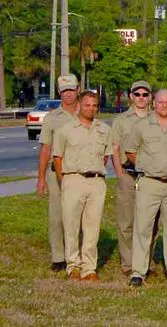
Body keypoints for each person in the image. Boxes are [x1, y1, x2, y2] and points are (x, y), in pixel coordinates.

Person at [125, 88, 167, 285]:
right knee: (143, 228)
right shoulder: (142, 126)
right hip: (149, 183)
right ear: (154, 103)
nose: (164, 105)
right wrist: (146, 165)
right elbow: (130, 150)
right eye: (160, 102)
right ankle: (138, 271)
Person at [51, 90, 111, 281]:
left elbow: (106, 156)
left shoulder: (104, 129)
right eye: (87, 105)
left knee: (92, 227)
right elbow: (57, 157)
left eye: (94, 106)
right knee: (71, 225)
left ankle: (89, 268)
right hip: (73, 179)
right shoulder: (66, 129)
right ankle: (73, 266)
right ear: (79, 105)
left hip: (96, 181)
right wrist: (65, 181)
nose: (91, 109)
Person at [36, 73, 79, 272]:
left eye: (71, 90)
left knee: (79, 215)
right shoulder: (52, 118)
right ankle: (58, 256)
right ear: (59, 93)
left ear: (77, 89)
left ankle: (77, 254)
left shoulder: (86, 112)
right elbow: (45, 148)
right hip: (57, 172)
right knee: (57, 216)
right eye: (64, 91)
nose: (68, 95)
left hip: (80, 172)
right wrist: (41, 178)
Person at [109, 80, 151, 276]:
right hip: (128, 173)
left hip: (150, 177)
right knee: (126, 221)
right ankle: (128, 263)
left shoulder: (156, 118)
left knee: (149, 222)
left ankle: (146, 262)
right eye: (137, 94)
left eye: (145, 94)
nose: (141, 98)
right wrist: (119, 173)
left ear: (150, 96)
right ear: (131, 96)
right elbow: (114, 149)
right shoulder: (121, 120)